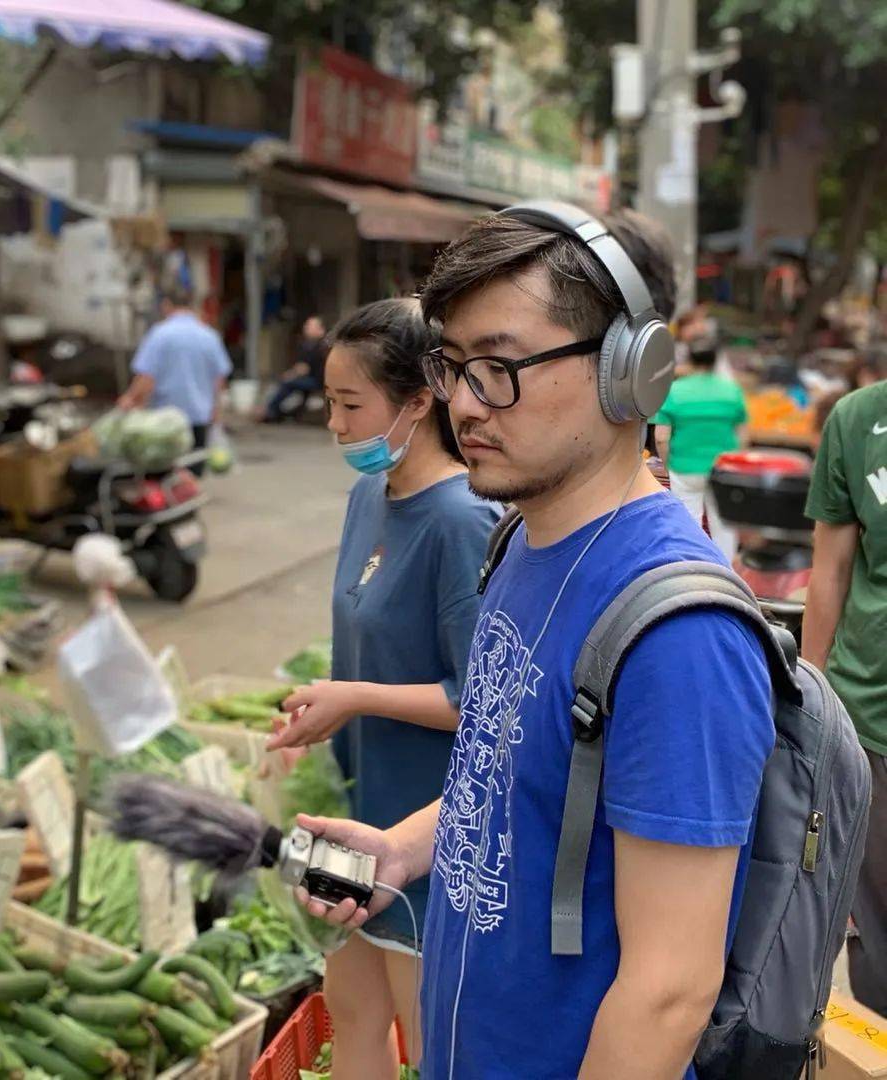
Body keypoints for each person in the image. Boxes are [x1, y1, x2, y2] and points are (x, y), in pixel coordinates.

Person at [291, 205, 775, 1080]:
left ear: (632, 370)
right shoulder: (518, 541)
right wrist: (403, 848)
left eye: (501, 367)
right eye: (454, 365)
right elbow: (511, 773)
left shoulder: (679, 633)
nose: (464, 403)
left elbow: (669, 991)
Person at [266, 298, 498, 1076]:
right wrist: (319, 711)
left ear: (419, 401)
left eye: (349, 404)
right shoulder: (369, 495)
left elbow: (479, 702)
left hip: (422, 838)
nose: (333, 423)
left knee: (429, 1048)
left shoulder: (463, 519)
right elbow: (364, 649)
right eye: (330, 402)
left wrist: (356, 698)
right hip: (352, 818)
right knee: (353, 1017)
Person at [803, 376, 887, 1015]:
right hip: (869, 724)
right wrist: (811, 700)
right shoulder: (857, 419)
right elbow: (829, 571)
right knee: (876, 938)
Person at [118, 283, 232, 472]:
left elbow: (146, 376)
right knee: (193, 470)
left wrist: (131, 399)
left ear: (166, 305)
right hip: (199, 415)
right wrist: (217, 409)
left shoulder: (160, 334)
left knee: (166, 469)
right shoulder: (209, 335)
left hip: (164, 419)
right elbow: (219, 378)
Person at [653, 344, 748, 562]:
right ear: (716, 361)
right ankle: (726, 574)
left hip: (684, 467)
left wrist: (669, 465)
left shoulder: (675, 390)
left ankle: (691, 573)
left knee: (687, 524)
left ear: (690, 362)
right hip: (724, 469)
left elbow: (661, 436)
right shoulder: (731, 390)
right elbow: (743, 435)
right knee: (724, 528)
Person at [259, 315, 328, 422]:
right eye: (307, 325)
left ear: (321, 330)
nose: (306, 328)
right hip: (312, 379)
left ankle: (272, 411)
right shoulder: (308, 345)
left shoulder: (322, 346)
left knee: (287, 383)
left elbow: (303, 368)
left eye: (311, 326)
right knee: (289, 383)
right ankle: (280, 412)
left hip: (319, 381)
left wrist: (289, 375)